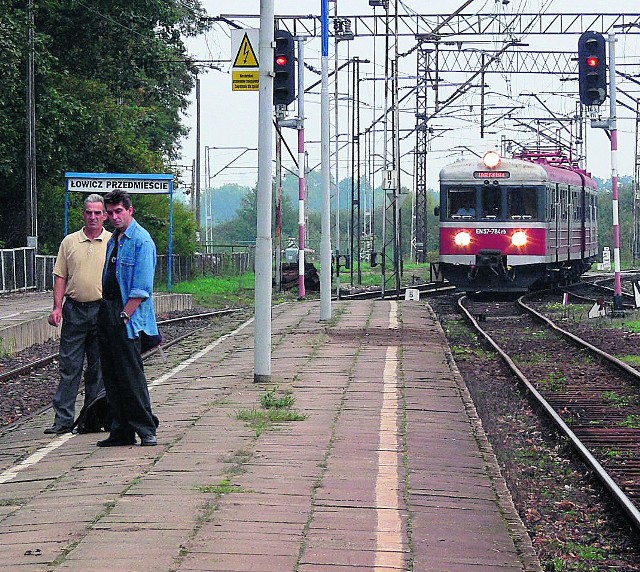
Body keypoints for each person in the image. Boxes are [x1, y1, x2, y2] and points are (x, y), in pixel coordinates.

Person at [96, 189, 159, 447]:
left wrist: (124, 316)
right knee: (112, 375)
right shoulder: (115, 240)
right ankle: (121, 429)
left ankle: (146, 428)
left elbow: (141, 287)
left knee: (131, 375)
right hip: (108, 310)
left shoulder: (141, 241)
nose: (114, 217)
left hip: (126, 316)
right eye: (110, 213)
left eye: (118, 211)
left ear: (130, 211)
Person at [45, 194, 112, 434]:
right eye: (88, 212)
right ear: (83, 214)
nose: (93, 217)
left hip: (102, 310)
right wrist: (57, 306)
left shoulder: (113, 241)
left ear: (104, 215)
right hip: (74, 310)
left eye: (97, 213)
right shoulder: (69, 242)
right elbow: (60, 276)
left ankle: (91, 418)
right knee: (69, 366)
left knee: (98, 368)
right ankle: (63, 420)